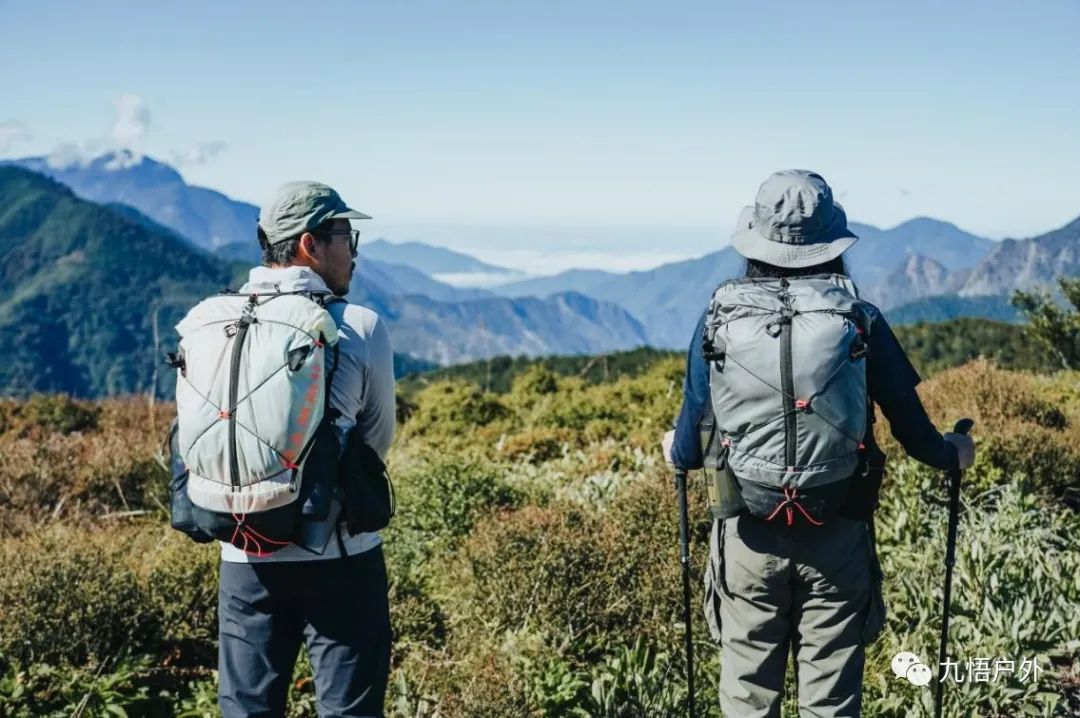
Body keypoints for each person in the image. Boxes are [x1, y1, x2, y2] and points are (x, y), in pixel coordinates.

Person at [666, 170, 976, 717]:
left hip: (746, 533)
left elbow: (692, 440)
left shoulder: (718, 320)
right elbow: (910, 424)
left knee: (747, 696)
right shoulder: (860, 320)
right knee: (831, 701)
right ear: (832, 243)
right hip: (837, 529)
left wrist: (676, 450)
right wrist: (953, 453)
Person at [216, 181, 396, 717]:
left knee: (247, 709)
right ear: (309, 245)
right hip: (339, 553)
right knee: (349, 710)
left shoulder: (220, 323)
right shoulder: (358, 327)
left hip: (243, 552)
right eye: (345, 234)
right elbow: (375, 442)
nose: (354, 250)